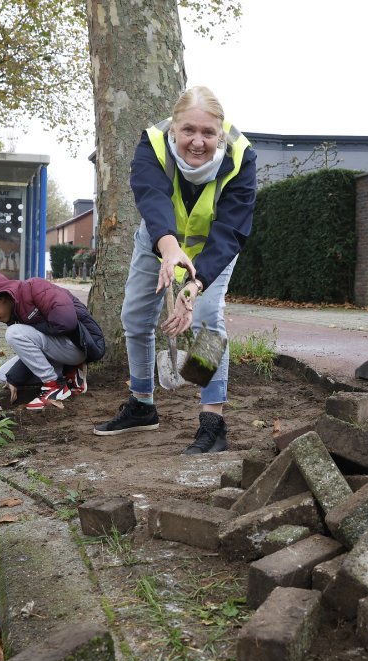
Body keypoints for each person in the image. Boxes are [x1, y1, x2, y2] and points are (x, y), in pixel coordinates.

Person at [93, 85, 256, 455]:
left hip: (212, 250)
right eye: (189, 131)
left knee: (207, 318)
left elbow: (231, 229)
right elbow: (151, 197)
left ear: (220, 131)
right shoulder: (152, 144)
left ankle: (212, 422)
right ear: (173, 129)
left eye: (208, 133)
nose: (198, 142)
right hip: (157, 243)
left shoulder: (242, 157)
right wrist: (168, 250)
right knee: (134, 317)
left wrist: (194, 286)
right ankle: (142, 405)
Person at [0, 271, 105, 410]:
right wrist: (14, 377)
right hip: (60, 350)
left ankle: (54, 385)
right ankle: (70, 373)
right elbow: (40, 346)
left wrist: (32, 326)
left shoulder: (35, 287)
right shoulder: (16, 313)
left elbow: (67, 322)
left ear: (0, 297)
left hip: (79, 345)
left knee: (14, 333)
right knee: (4, 376)